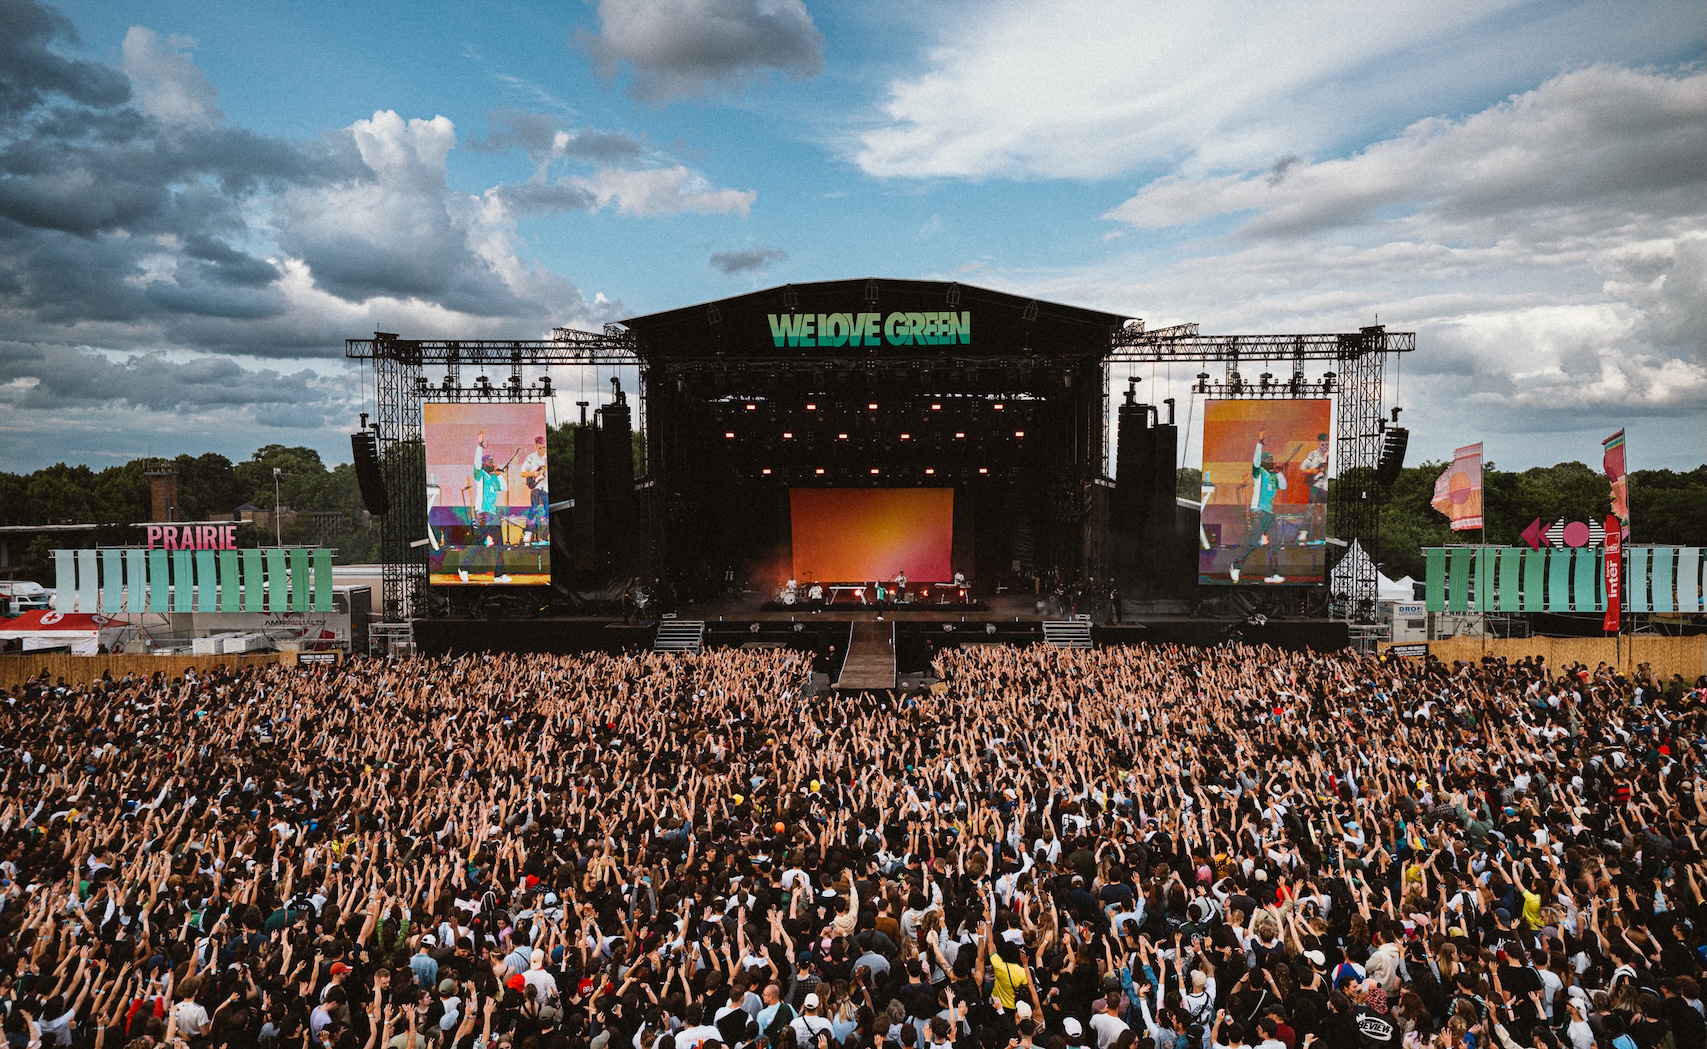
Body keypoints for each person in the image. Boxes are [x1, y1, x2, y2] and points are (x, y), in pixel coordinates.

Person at [1230, 428, 1288, 584]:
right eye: (1267, 459)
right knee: (1254, 541)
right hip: (1258, 512)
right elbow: (1255, 462)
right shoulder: (1259, 472)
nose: (1270, 460)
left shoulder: (1273, 476)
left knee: (1273, 543)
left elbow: (1283, 486)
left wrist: (1279, 472)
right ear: (1263, 462)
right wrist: (1260, 443)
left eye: (1272, 459)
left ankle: (1271, 574)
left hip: (1269, 513)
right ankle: (1235, 566)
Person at [520, 435, 549, 545]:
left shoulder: (547, 456)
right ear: (536, 446)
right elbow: (523, 473)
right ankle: (528, 532)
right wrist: (533, 473)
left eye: (544, 447)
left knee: (547, 511)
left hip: (546, 488)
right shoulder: (531, 457)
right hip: (536, 487)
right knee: (534, 508)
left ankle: (545, 536)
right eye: (540, 447)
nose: (542, 450)